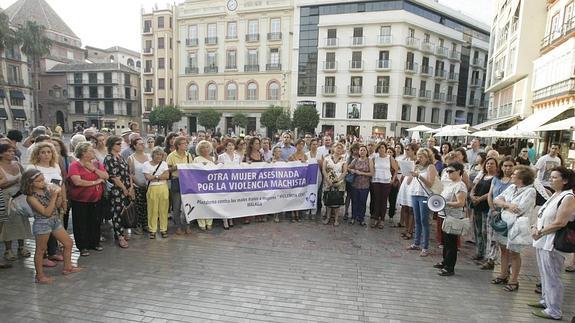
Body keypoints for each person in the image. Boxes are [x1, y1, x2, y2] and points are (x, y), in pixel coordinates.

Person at [530, 167, 575, 320]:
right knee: (544, 274)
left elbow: (560, 222)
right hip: (542, 240)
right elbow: (542, 214)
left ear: (565, 180)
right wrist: (536, 227)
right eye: (550, 176)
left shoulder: (568, 197)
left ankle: (554, 309)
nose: (551, 179)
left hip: (553, 242)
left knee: (552, 276)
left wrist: (541, 231)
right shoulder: (556, 194)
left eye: (555, 177)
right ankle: (546, 300)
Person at [22, 169, 81, 284]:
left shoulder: (46, 190)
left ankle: (68, 267)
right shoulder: (31, 197)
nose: (43, 182)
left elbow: (56, 206)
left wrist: (59, 196)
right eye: (39, 181)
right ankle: (39, 276)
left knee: (68, 242)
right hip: (42, 223)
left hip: (54, 220)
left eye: (43, 179)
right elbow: (46, 212)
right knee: (41, 250)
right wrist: (54, 197)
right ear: (31, 183)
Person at [492, 165, 536, 292]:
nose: (511, 175)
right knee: (503, 250)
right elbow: (496, 199)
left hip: (517, 226)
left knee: (515, 253)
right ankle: (503, 274)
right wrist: (507, 204)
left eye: (514, 174)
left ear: (522, 178)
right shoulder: (512, 187)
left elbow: (519, 209)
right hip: (504, 224)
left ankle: (514, 280)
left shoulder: (530, 191)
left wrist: (505, 205)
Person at [27, 142, 67, 266]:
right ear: (37, 154)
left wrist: (64, 200)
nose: (46, 155)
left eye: (49, 152)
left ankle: (53, 251)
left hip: (57, 199)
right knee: (43, 229)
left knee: (55, 226)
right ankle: (43, 257)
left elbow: (62, 183)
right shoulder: (33, 167)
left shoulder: (55, 166)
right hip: (41, 201)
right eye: (43, 152)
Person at [67, 142, 109, 256]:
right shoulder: (75, 165)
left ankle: (94, 243)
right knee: (81, 223)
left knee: (95, 221)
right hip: (80, 200)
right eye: (90, 150)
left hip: (96, 199)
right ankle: (82, 246)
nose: (93, 152)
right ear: (83, 153)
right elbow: (77, 181)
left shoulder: (97, 164)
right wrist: (95, 182)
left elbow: (105, 176)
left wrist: (94, 170)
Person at [481, 157, 515, 270]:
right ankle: (491, 259)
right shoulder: (496, 178)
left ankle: (508, 264)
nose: (507, 168)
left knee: (506, 239)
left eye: (510, 166)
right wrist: (493, 209)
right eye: (505, 166)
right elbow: (490, 195)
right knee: (491, 236)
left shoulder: (515, 181)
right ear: (501, 167)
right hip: (494, 211)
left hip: (507, 213)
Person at [434, 162, 467, 276]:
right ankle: (445, 261)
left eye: (451, 171)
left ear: (459, 172)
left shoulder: (460, 185)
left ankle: (450, 267)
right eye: (447, 171)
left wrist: (445, 203)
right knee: (445, 241)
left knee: (451, 243)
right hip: (444, 215)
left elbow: (461, 202)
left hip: (453, 217)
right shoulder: (449, 183)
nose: (448, 173)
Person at [0, 144, 31, 262]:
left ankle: (22, 246)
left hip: (20, 197)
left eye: (13, 151)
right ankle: (8, 249)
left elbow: (24, 178)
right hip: (6, 198)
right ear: (1, 154)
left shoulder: (17, 164)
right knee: (8, 222)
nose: (12, 153)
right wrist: (14, 181)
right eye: (8, 151)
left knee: (22, 220)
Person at [103, 136, 134, 248]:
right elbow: (114, 176)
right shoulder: (109, 158)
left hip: (126, 188)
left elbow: (128, 172)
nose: (120, 146)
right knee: (117, 212)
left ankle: (121, 232)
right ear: (111, 145)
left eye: (120, 144)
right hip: (117, 190)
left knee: (124, 211)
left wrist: (130, 187)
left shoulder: (120, 157)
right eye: (118, 144)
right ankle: (120, 236)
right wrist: (124, 189)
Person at [406, 148, 438, 257]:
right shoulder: (417, 167)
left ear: (427, 157)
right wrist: (413, 171)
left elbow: (430, 183)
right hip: (415, 194)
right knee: (417, 220)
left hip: (424, 195)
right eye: (418, 156)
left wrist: (419, 175)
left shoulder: (431, 167)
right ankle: (416, 243)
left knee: (424, 221)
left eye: (421, 156)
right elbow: (408, 182)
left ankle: (425, 247)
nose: (419, 158)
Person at [470, 157, 498, 262]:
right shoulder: (483, 175)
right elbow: (474, 187)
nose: (489, 165)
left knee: (485, 231)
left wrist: (480, 199)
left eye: (492, 164)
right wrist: (472, 196)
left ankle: (487, 255)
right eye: (487, 164)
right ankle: (479, 252)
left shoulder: (496, 178)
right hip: (477, 205)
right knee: (477, 230)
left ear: (496, 166)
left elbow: (491, 193)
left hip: (486, 206)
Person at [166, 136, 192, 235]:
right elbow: (167, 170)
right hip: (176, 180)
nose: (185, 145)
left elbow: (192, 169)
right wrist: (175, 168)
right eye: (183, 143)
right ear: (178, 145)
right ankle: (178, 226)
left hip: (187, 181)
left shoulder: (189, 155)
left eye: (186, 143)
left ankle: (188, 225)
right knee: (176, 206)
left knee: (188, 206)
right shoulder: (171, 156)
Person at [143, 147, 170, 239]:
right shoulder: (146, 164)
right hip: (152, 188)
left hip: (163, 187)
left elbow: (167, 176)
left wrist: (155, 176)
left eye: (161, 155)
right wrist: (159, 176)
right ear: (153, 155)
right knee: (152, 209)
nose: (159, 156)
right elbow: (147, 177)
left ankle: (163, 229)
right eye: (157, 154)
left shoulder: (164, 164)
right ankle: (152, 230)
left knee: (163, 209)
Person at [368, 142, 397, 228]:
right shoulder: (374, 158)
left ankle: (382, 219)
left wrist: (393, 179)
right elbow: (372, 169)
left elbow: (396, 169)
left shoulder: (389, 158)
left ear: (385, 148)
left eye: (383, 147)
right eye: (380, 147)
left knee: (384, 200)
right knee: (376, 199)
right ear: (377, 149)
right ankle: (375, 217)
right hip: (376, 180)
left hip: (386, 181)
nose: (381, 149)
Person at [127, 137, 150, 235]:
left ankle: (146, 224)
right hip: (137, 186)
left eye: (143, 143)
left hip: (149, 184)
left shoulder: (149, 156)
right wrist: (137, 184)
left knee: (147, 205)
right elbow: (130, 173)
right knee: (138, 206)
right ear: (134, 146)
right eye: (140, 144)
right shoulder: (131, 158)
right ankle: (138, 225)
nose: (142, 145)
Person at [348, 144, 374, 226]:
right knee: (354, 201)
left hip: (365, 185)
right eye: (361, 150)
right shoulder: (355, 160)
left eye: (364, 150)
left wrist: (361, 173)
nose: (362, 152)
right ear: (358, 152)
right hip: (355, 184)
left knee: (363, 202)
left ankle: (361, 218)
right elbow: (347, 167)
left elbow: (372, 173)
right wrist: (352, 170)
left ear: (366, 152)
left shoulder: (369, 160)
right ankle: (353, 217)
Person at [322, 142, 347, 226]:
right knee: (328, 200)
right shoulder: (327, 158)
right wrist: (329, 180)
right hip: (328, 182)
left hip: (339, 182)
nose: (338, 149)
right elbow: (324, 170)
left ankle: (336, 219)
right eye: (337, 147)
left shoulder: (344, 160)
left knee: (337, 201)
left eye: (340, 148)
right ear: (333, 148)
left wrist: (338, 180)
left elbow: (344, 172)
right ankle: (328, 217)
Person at [193, 140, 216, 230]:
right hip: (200, 184)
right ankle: (201, 223)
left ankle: (209, 222)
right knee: (201, 203)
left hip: (211, 185)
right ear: (199, 149)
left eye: (207, 147)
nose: (205, 149)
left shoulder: (213, 159)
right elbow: (193, 171)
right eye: (202, 148)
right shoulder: (196, 159)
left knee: (210, 203)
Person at [397, 143, 418, 239]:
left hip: (414, 183)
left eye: (408, 149)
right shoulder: (406, 159)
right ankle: (406, 229)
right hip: (406, 182)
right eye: (405, 149)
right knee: (405, 207)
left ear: (414, 150)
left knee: (411, 208)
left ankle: (410, 230)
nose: (406, 150)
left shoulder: (417, 160)